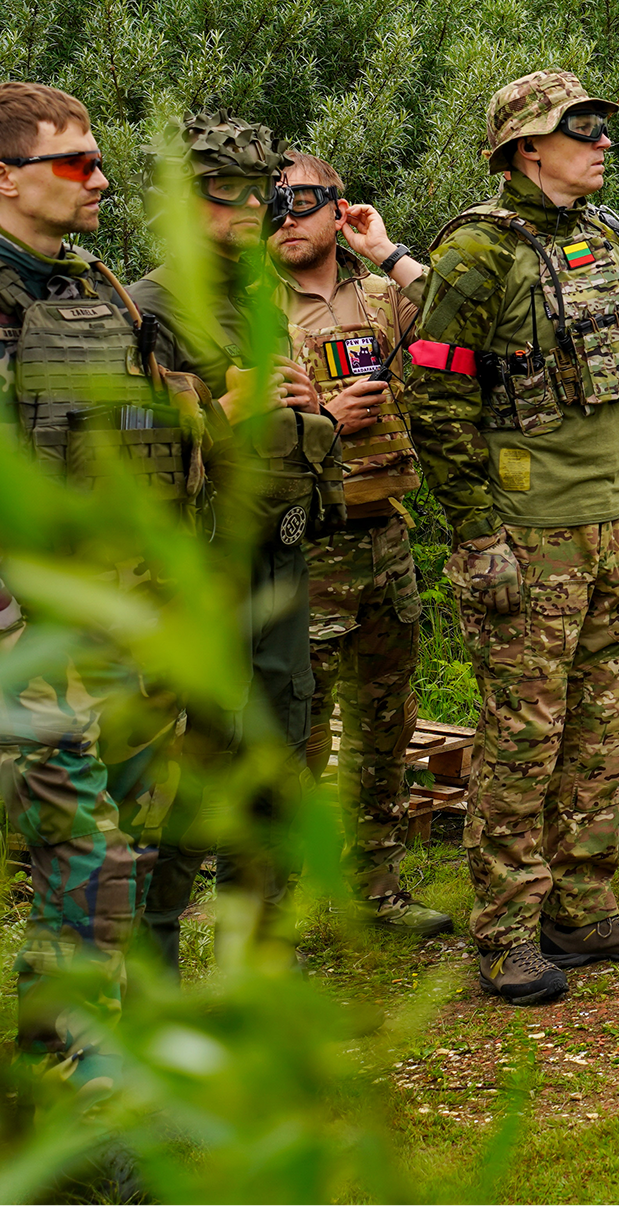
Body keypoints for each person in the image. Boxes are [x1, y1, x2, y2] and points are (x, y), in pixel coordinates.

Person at [406, 69, 619, 1006]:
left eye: (604, 128)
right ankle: (507, 932)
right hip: (530, 538)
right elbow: (436, 398)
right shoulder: (476, 255)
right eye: (583, 129)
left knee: (600, 736)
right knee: (523, 742)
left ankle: (582, 904)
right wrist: (477, 533)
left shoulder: (602, 242)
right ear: (527, 147)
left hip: (610, 532)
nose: (603, 144)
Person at [129, 112, 345, 977]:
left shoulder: (251, 294)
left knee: (278, 759)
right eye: (229, 193)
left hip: (274, 568)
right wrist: (229, 410)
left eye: (268, 192)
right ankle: (153, 971)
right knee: (192, 774)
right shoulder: (144, 309)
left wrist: (306, 409)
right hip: (196, 583)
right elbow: (121, 466)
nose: (254, 209)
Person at [0, 81, 182, 1096]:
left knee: (117, 848)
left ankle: (51, 1063)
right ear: (8, 177)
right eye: (77, 162)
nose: (102, 179)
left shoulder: (91, 286)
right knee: (86, 855)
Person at [269, 148, 450, 937]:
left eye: (302, 200)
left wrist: (387, 250)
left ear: (338, 207)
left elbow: (467, 313)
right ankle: (280, 919)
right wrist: (322, 428)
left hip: (385, 540)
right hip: (300, 549)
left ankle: (374, 892)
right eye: (269, 202)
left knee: (385, 727)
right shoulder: (244, 309)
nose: (284, 216)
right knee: (293, 744)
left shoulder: (378, 295)